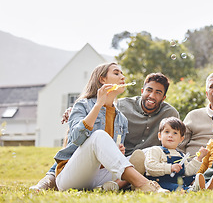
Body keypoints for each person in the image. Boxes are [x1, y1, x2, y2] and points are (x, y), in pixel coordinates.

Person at [30, 72, 179, 191]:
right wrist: (76, 113)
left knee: (144, 154)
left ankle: (113, 186)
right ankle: (50, 177)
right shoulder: (122, 105)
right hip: (106, 162)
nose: (152, 96)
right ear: (142, 91)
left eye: (158, 93)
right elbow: (79, 141)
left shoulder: (167, 114)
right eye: (149, 90)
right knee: (95, 137)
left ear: (164, 97)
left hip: (129, 163)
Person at [143, 117, 208, 191]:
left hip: (177, 181)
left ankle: (207, 185)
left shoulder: (181, 155)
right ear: (160, 136)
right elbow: (150, 167)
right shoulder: (155, 150)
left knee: (194, 176)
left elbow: (187, 172)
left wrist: (199, 158)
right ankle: (190, 190)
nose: (170, 135)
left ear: (181, 139)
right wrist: (170, 168)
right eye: (167, 132)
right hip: (161, 182)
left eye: (175, 133)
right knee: (177, 187)